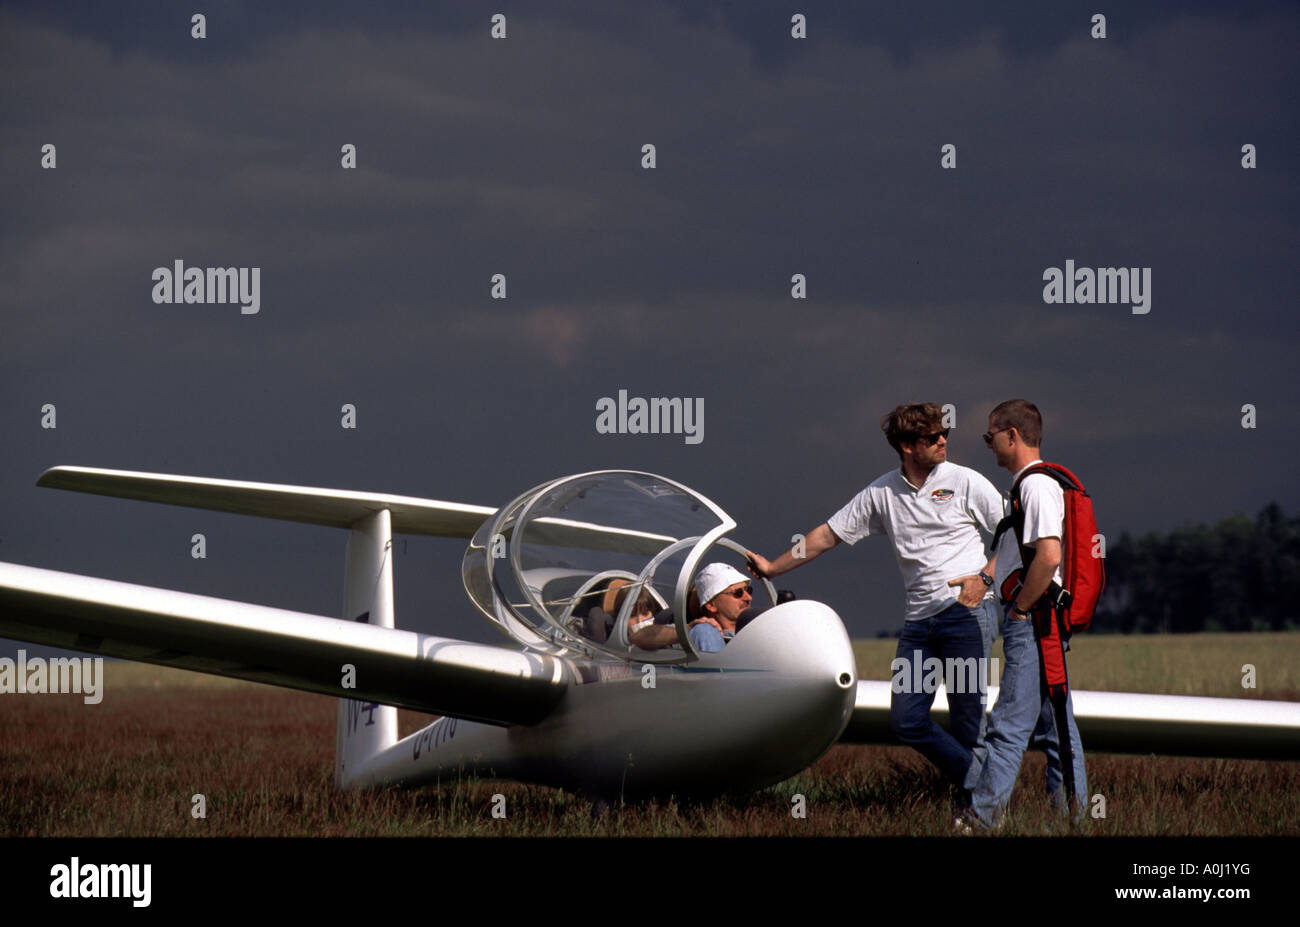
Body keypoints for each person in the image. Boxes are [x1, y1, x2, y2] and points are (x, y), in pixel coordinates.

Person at [747, 402, 1003, 806]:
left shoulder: (966, 481)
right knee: (906, 721)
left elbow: (1013, 534)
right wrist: (773, 568)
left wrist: (984, 578)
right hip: (919, 625)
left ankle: (980, 813)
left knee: (969, 722)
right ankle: (986, 785)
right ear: (905, 445)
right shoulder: (882, 491)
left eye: (944, 434)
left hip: (968, 615)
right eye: (931, 437)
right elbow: (826, 536)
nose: (942, 441)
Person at [964, 399, 1087, 829]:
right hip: (1044, 622)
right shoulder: (1034, 486)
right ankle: (1072, 820)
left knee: (1007, 725)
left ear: (1012, 435)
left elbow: (1049, 556)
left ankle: (980, 820)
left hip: (1033, 622)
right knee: (1057, 728)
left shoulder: (1033, 487)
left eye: (990, 436)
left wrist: (1018, 610)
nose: (989, 444)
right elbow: (1022, 552)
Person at [626, 563, 753, 653]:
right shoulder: (697, 631)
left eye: (748, 590)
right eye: (738, 593)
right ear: (711, 605)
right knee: (704, 630)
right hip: (725, 686)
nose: (748, 598)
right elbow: (638, 637)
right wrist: (685, 631)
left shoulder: (758, 627)